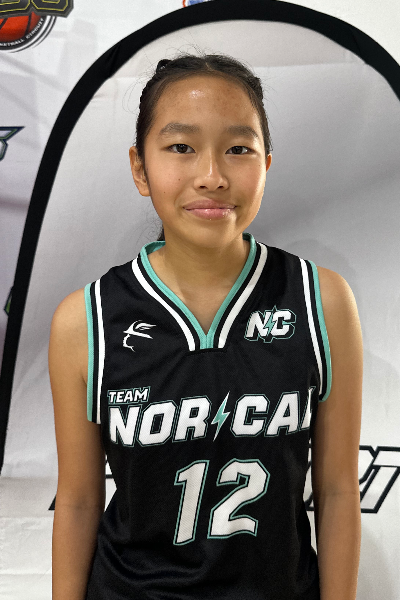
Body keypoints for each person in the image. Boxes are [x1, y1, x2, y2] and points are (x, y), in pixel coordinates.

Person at [49, 52, 363, 600]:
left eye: (238, 149)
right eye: (181, 147)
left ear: (267, 164)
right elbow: (77, 502)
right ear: (140, 168)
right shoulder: (86, 319)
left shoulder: (322, 301)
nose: (212, 176)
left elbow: (336, 492)